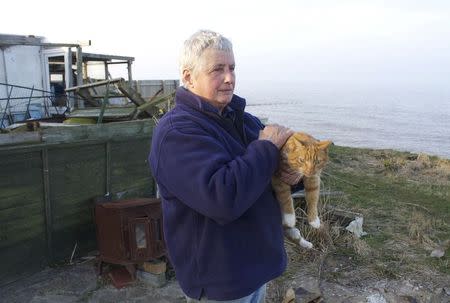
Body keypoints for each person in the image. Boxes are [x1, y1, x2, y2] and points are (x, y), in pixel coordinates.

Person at [149, 30, 301, 302]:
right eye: (217, 69)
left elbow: (270, 169)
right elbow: (222, 198)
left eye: (232, 68)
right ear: (188, 76)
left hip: (256, 269)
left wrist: (294, 174)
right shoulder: (176, 132)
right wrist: (266, 148)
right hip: (221, 282)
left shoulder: (242, 119)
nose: (229, 78)